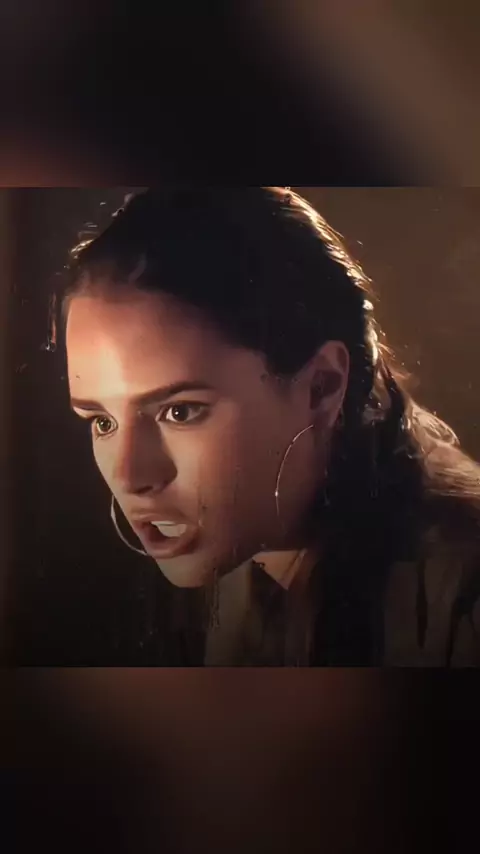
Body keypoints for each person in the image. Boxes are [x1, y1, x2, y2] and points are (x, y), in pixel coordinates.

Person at [60, 187, 480, 666]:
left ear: (321, 387)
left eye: (180, 411)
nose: (129, 476)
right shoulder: (225, 562)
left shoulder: (461, 600)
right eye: (103, 421)